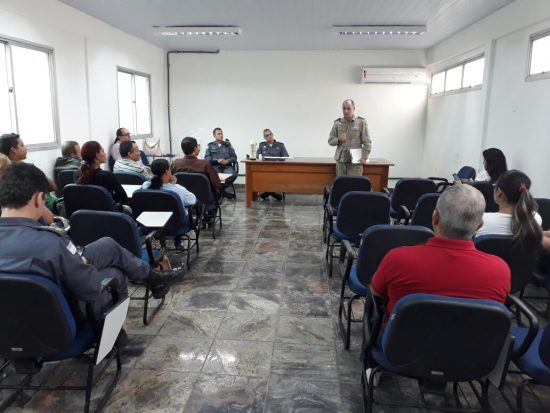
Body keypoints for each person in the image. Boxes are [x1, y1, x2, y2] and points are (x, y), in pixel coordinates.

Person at [0, 162, 182, 323]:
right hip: (57, 321)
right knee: (116, 274)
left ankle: (155, 280)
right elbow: (91, 290)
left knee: (107, 245)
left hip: (10, 321)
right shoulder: (52, 243)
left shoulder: (49, 243)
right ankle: (112, 337)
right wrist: (83, 265)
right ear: (39, 199)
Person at [371, 184, 511, 316]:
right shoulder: (500, 270)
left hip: (403, 340)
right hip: (472, 342)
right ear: (479, 225)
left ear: (435, 217)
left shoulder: (397, 259)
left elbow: (376, 294)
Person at [476, 170, 543, 251]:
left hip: (487, 263)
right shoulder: (535, 218)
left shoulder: (481, 220)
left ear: (499, 193)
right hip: (521, 263)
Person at [142, 159, 197, 248]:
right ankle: (178, 244)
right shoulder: (177, 189)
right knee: (180, 211)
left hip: (150, 224)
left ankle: (157, 241)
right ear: (167, 171)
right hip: (174, 226)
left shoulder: (145, 186)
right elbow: (193, 200)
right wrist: (174, 185)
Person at [328, 99, 371, 176]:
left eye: (348, 108)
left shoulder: (361, 122)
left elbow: (367, 142)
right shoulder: (338, 123)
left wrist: (364, 157)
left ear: (354, 109)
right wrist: (338, 139)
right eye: (344, 108)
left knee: (354, 186)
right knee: (341, 185)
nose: (346, 111)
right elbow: (330, 140)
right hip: (341, 161)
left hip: (355, 162)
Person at [204, 127, 237, 199]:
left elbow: (234, 157)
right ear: (214, 136)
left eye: (222, 133)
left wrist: (227, 161)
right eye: (219, 134)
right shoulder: (210, 145)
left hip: (227, 167)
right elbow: (207, 158)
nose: (221, 135)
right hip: (215, 167)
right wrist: (217, 160)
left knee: (233, 175)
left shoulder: (228, 145)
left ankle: (219, 191)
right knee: (212, 176)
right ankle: (223, 193)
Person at [257, 128, 288, 201]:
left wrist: (279, 160)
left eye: (270, 134)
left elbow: (286, 156)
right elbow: (257, 155)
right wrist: (260, 158)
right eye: (267, 135)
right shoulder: (262, 145)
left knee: (273, 176)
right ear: (264, 137)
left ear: (272, 134)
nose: (269, 136)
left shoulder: (280, 145)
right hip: (265, 169)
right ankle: (273, 194)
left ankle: (267, 193)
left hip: (277, 168)